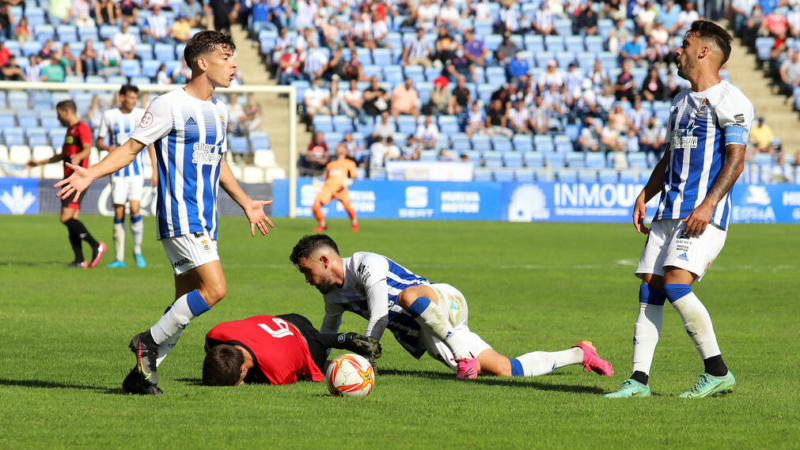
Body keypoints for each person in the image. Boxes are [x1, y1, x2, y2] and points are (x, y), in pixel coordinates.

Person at [55, 31, 275, 396]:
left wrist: (246, 202)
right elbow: (130, 148)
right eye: (226, 57)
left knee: (182, 307)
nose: (234, 65)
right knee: (216, 289)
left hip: (207, 219)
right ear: (201, 63)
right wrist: (91, 173)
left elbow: (217, 162)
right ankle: (146, 343)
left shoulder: (219, 109)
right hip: (180, 214)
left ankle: (140, 377)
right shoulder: (168, 105)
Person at [605, 21, 752, 400]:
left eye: (684, 44)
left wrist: (708, 203)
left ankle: (717, 371)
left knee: (674, 283)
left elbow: (735, 161)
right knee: (650, 287)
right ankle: (638, 380)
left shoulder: (731, 100)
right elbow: (671, 156)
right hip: (668, 212)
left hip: (701, 214)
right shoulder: (679, 103)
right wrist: (646, 193)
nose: (677, 50)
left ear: (703, 51)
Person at [289, 234, 614, 381]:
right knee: (503, 369)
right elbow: (327, 334)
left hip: (442, 302)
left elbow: (379, 315)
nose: (307, 279)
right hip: (428, 333)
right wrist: (320, 363)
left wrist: (364, 360)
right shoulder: (332, 295)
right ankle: (579, 353)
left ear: (325, 259)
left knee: (405, 298)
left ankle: (461, 352)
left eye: (307, 271)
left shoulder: (365, 263)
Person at [26, 100, 107, 269]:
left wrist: (79, 157)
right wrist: (38, 162)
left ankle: (96, 245)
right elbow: (62, 155)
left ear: (66, 111)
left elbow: (87, 149)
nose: (57, 117)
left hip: (77, 181)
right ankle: (79, 260)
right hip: (69, 180)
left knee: (65, 218)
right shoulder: (70, 130)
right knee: (73, 220)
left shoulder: (82, 127)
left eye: (59, 113)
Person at [201, 313, 381, 386]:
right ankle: (342, 339)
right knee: (305, 339)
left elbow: (300, 371)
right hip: (290, 318)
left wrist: (241, 381)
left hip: (310, 348)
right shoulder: (216, 333)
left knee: (312, 366)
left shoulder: (277, 373)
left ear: (243, 369)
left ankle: (352, 362)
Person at [96, 85, 158, 269]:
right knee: (119, 212)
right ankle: (119, 257)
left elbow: (150, 144)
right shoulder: (110, 116)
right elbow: (99, 141)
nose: (133, 101)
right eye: (130, 97)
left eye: (135, 98)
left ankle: (137, 252)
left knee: (135, 209)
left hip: (137, 171)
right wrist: (107, 148)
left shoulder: (142, 115)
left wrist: (154, 169)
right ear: (121, 97)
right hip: (117, 172)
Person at [312, 143, 359, 232]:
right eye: (337, 147)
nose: (338, 149)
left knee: (348, 206)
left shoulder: (349, 163)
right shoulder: (331, 164)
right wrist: (319, 183)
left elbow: (354, 176)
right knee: (315, 206)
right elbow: (326, 178)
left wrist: (349, 182)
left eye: (341, 147)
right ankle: (322, 224)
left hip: (340, 188)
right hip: (328, 188)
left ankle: (354, 223)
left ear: (345, 150)